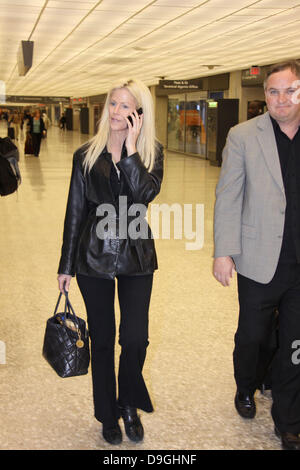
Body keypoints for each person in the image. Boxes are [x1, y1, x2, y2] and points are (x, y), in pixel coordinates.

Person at [57, 78, 164, 446]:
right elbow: (74, 211)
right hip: (93, 258)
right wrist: (65, 264)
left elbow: (145, 195)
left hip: (137, 257)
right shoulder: (86, 154)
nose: (117, 112)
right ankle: (107, 414)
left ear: (139, 113)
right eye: (113, 104)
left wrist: (131, 152)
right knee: (102, 340)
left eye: (125, 106)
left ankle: (129, 404)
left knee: (135, 339)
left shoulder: (151, 153)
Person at [213, 60, 300, 450]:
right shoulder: (243, 135)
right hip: (258, 258)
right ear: (264, 95)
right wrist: (224, 252)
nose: (280, 99)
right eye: (273, 91)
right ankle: (246, 385)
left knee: (295, 344)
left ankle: (289, 420)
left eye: (289, 91)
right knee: (253, 336)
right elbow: (228, 196)